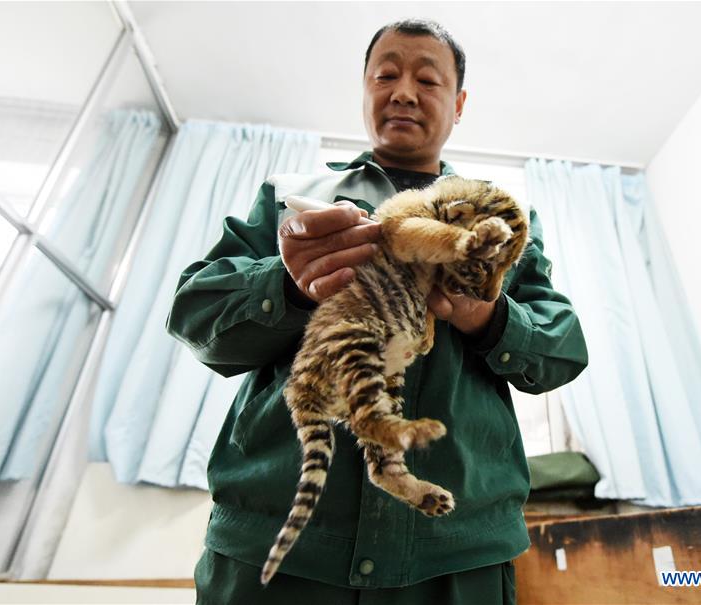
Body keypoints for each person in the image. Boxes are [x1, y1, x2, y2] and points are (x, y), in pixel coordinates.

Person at [166, 19, 588, 605]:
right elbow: (195, 315)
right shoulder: (289, 199)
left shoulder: (505, 219)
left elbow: (563, 348)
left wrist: (485, 315)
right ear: (364, 90)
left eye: (428, 79)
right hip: (276, 550)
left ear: (459, 103)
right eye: (385, 75)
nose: (404, 92)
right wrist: (289, 285)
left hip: (456, 557)